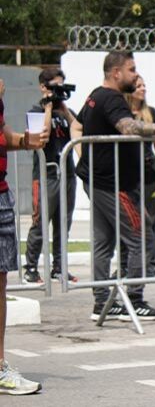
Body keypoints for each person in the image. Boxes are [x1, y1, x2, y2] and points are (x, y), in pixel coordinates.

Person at [71, 51, 155, 323]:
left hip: (100, 181)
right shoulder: (111, 98)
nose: (135, 74)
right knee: (141, 235)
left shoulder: (95, 95)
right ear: (116, 72)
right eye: (131, 69)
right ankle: (135, 299)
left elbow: (78, 124)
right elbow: (128, 127)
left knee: (104, 242)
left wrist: (84, 156)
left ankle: (102, 303)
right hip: (112, 184)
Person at [0, 78, 48, 395]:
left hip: (1, 193)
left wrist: (24, 140)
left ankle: (0, 365)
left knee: (0, 283)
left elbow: (4, 136)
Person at [22, 69, 78, 284]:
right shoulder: (35, 111)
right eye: (55, 87)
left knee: (63, 223)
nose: (58, 92)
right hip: (46, 175)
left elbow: (79, 129)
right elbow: (41, 139)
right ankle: (31, 267)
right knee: (40, 223)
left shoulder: (65, 112)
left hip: (68, 174)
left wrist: (63, 109)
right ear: (43, 87)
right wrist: (47, 108)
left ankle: (59, 267)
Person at [125, 76, 155, 245]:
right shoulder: (122, 114)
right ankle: (126, 265)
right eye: (138, 86)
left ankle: (149, 264)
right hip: (128, 176)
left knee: (151, 220)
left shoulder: (151, 113)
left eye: (144, 85)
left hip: (149, 174)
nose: (143, 89)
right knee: (129, 221)